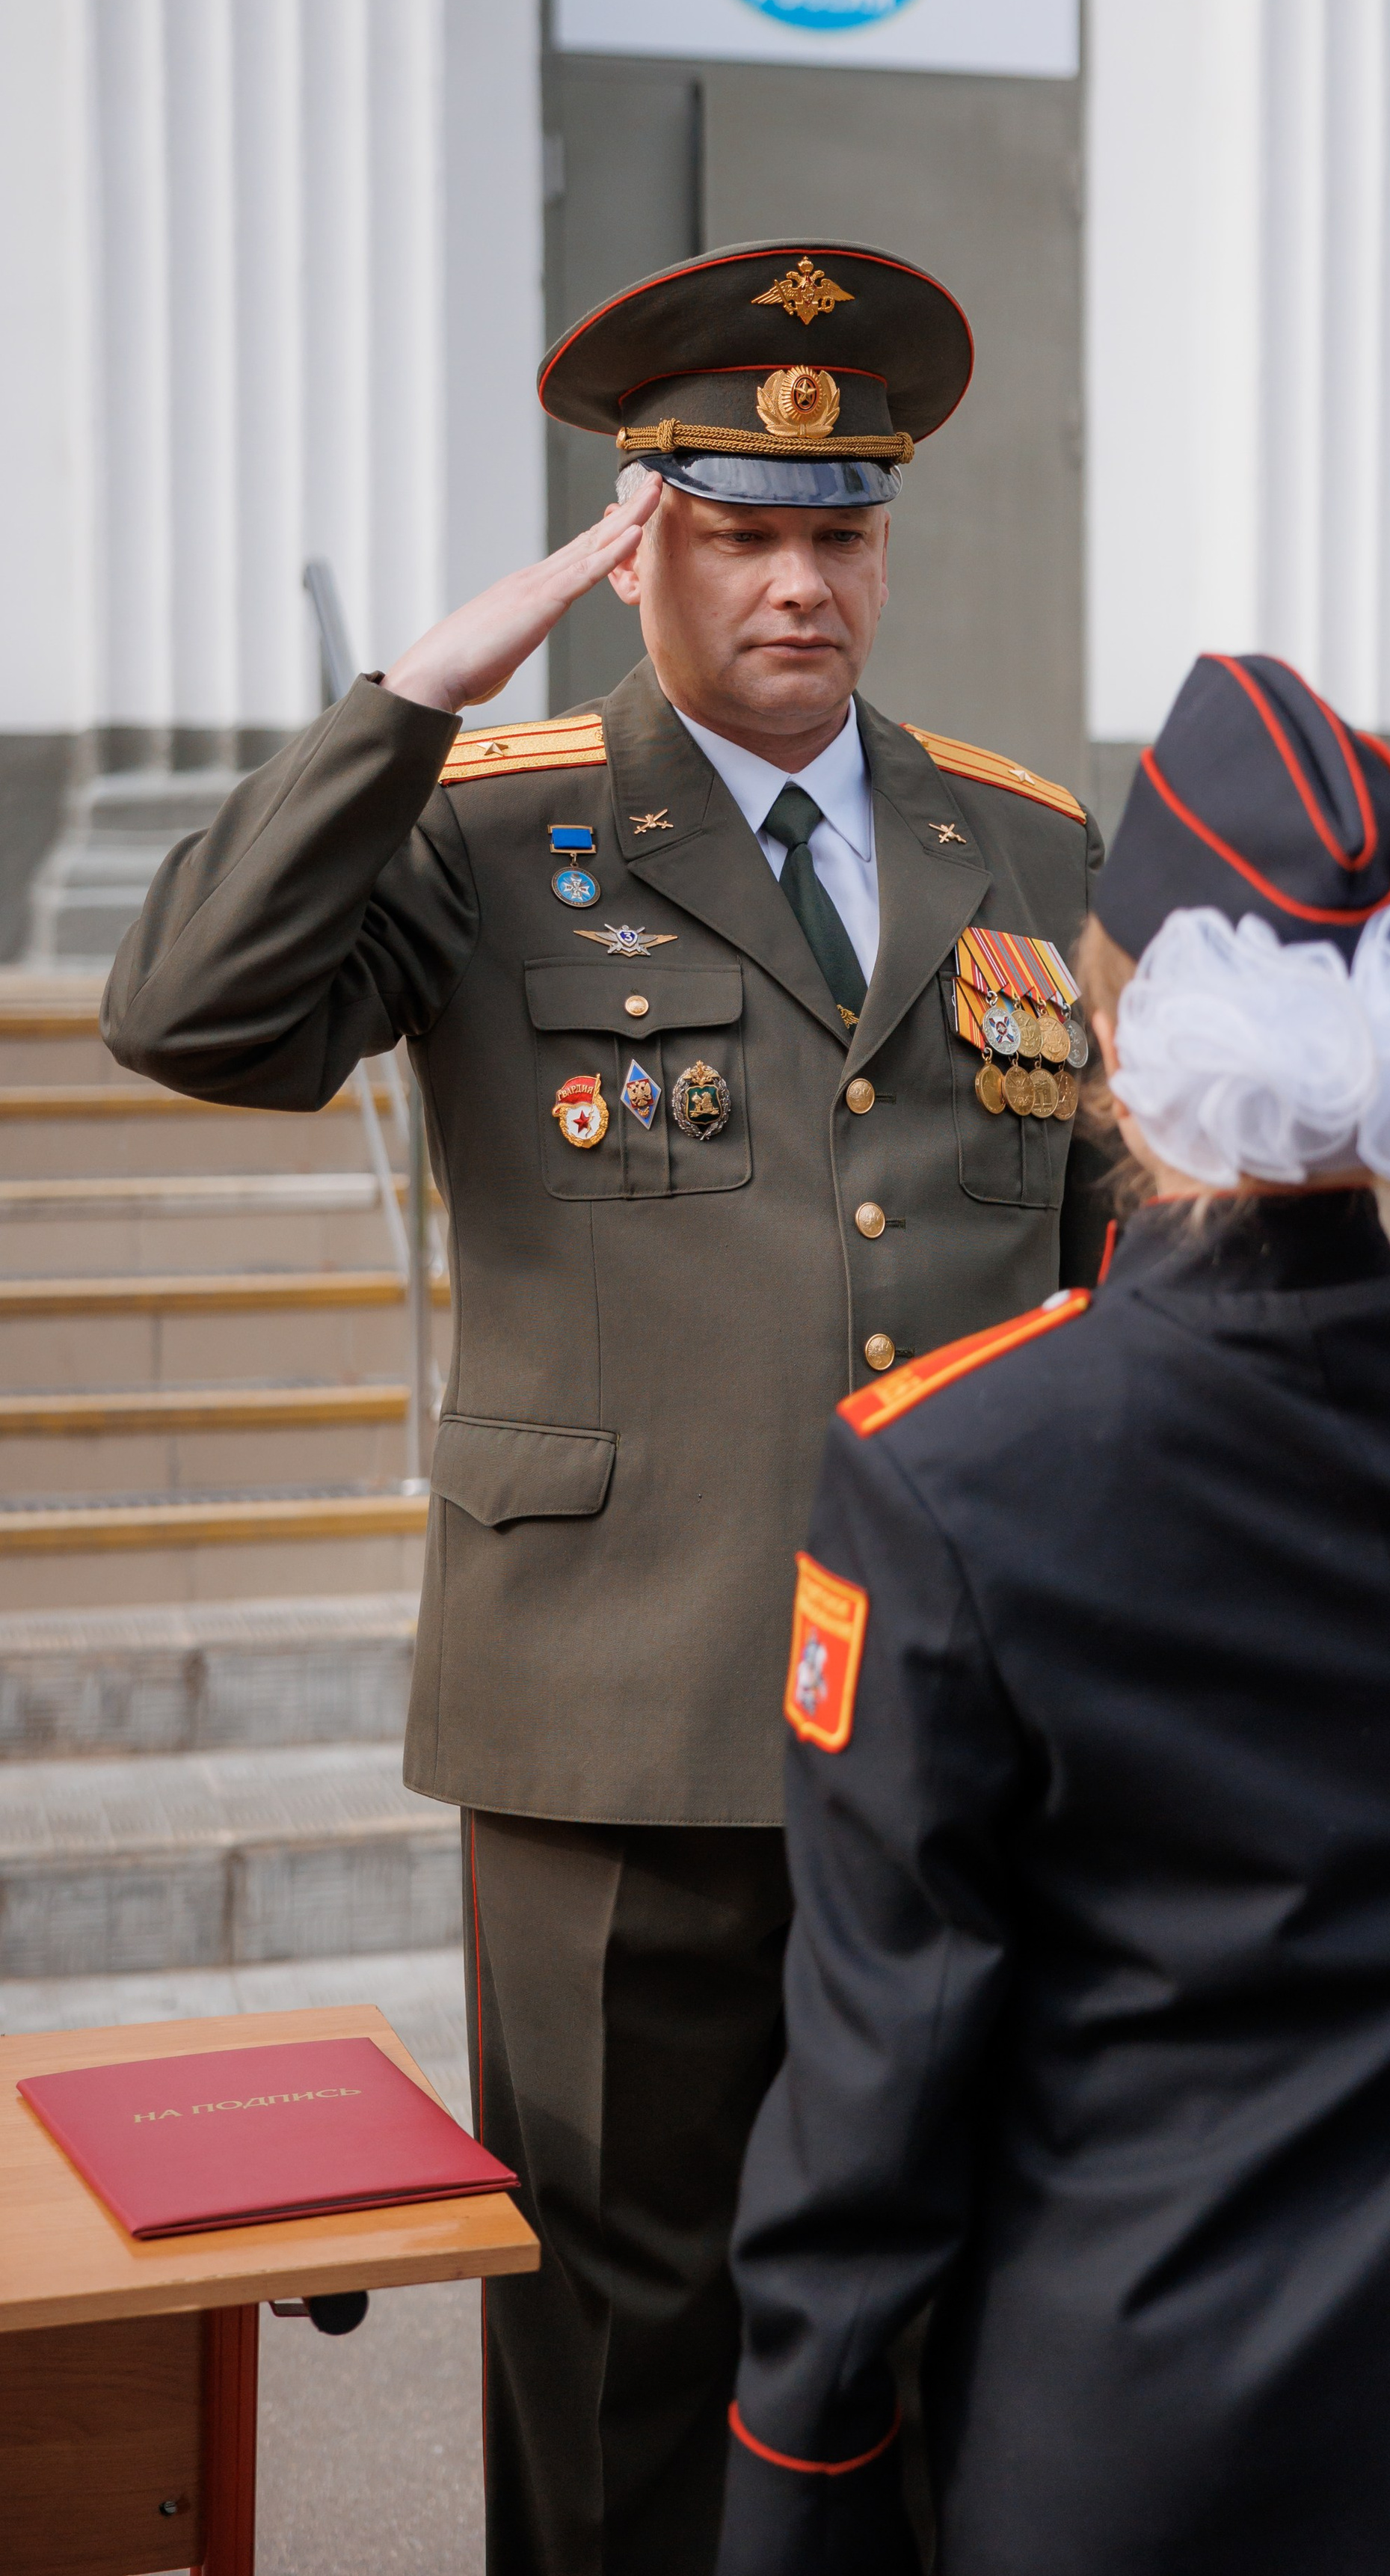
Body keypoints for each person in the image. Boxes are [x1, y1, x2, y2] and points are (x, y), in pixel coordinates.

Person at [102, 239, 1110, 2576]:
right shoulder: (480, 826)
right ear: (640, 538)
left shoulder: (1017, 839)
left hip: (963, 1725)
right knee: (624, 2316)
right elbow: (188, 1013)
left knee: (959, 2289)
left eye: (838, 531)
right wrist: (412, 697)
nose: (797, 583)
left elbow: (1092, 1248)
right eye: (740, 530)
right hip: (617, 1716)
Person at [713, 651, 1390, 2576]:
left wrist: (793, 2491)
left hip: (1146, 2431)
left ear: (1118, 1025)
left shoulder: (950, 1470)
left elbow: (882, 2064)